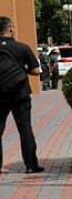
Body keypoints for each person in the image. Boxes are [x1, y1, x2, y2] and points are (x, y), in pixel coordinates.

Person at [0, 17, 44, 174]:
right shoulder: (22, 48)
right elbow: (36, 70)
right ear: (10, 29)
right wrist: (23, 69)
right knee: (25, 129)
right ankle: (31, 165)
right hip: (20, 94)